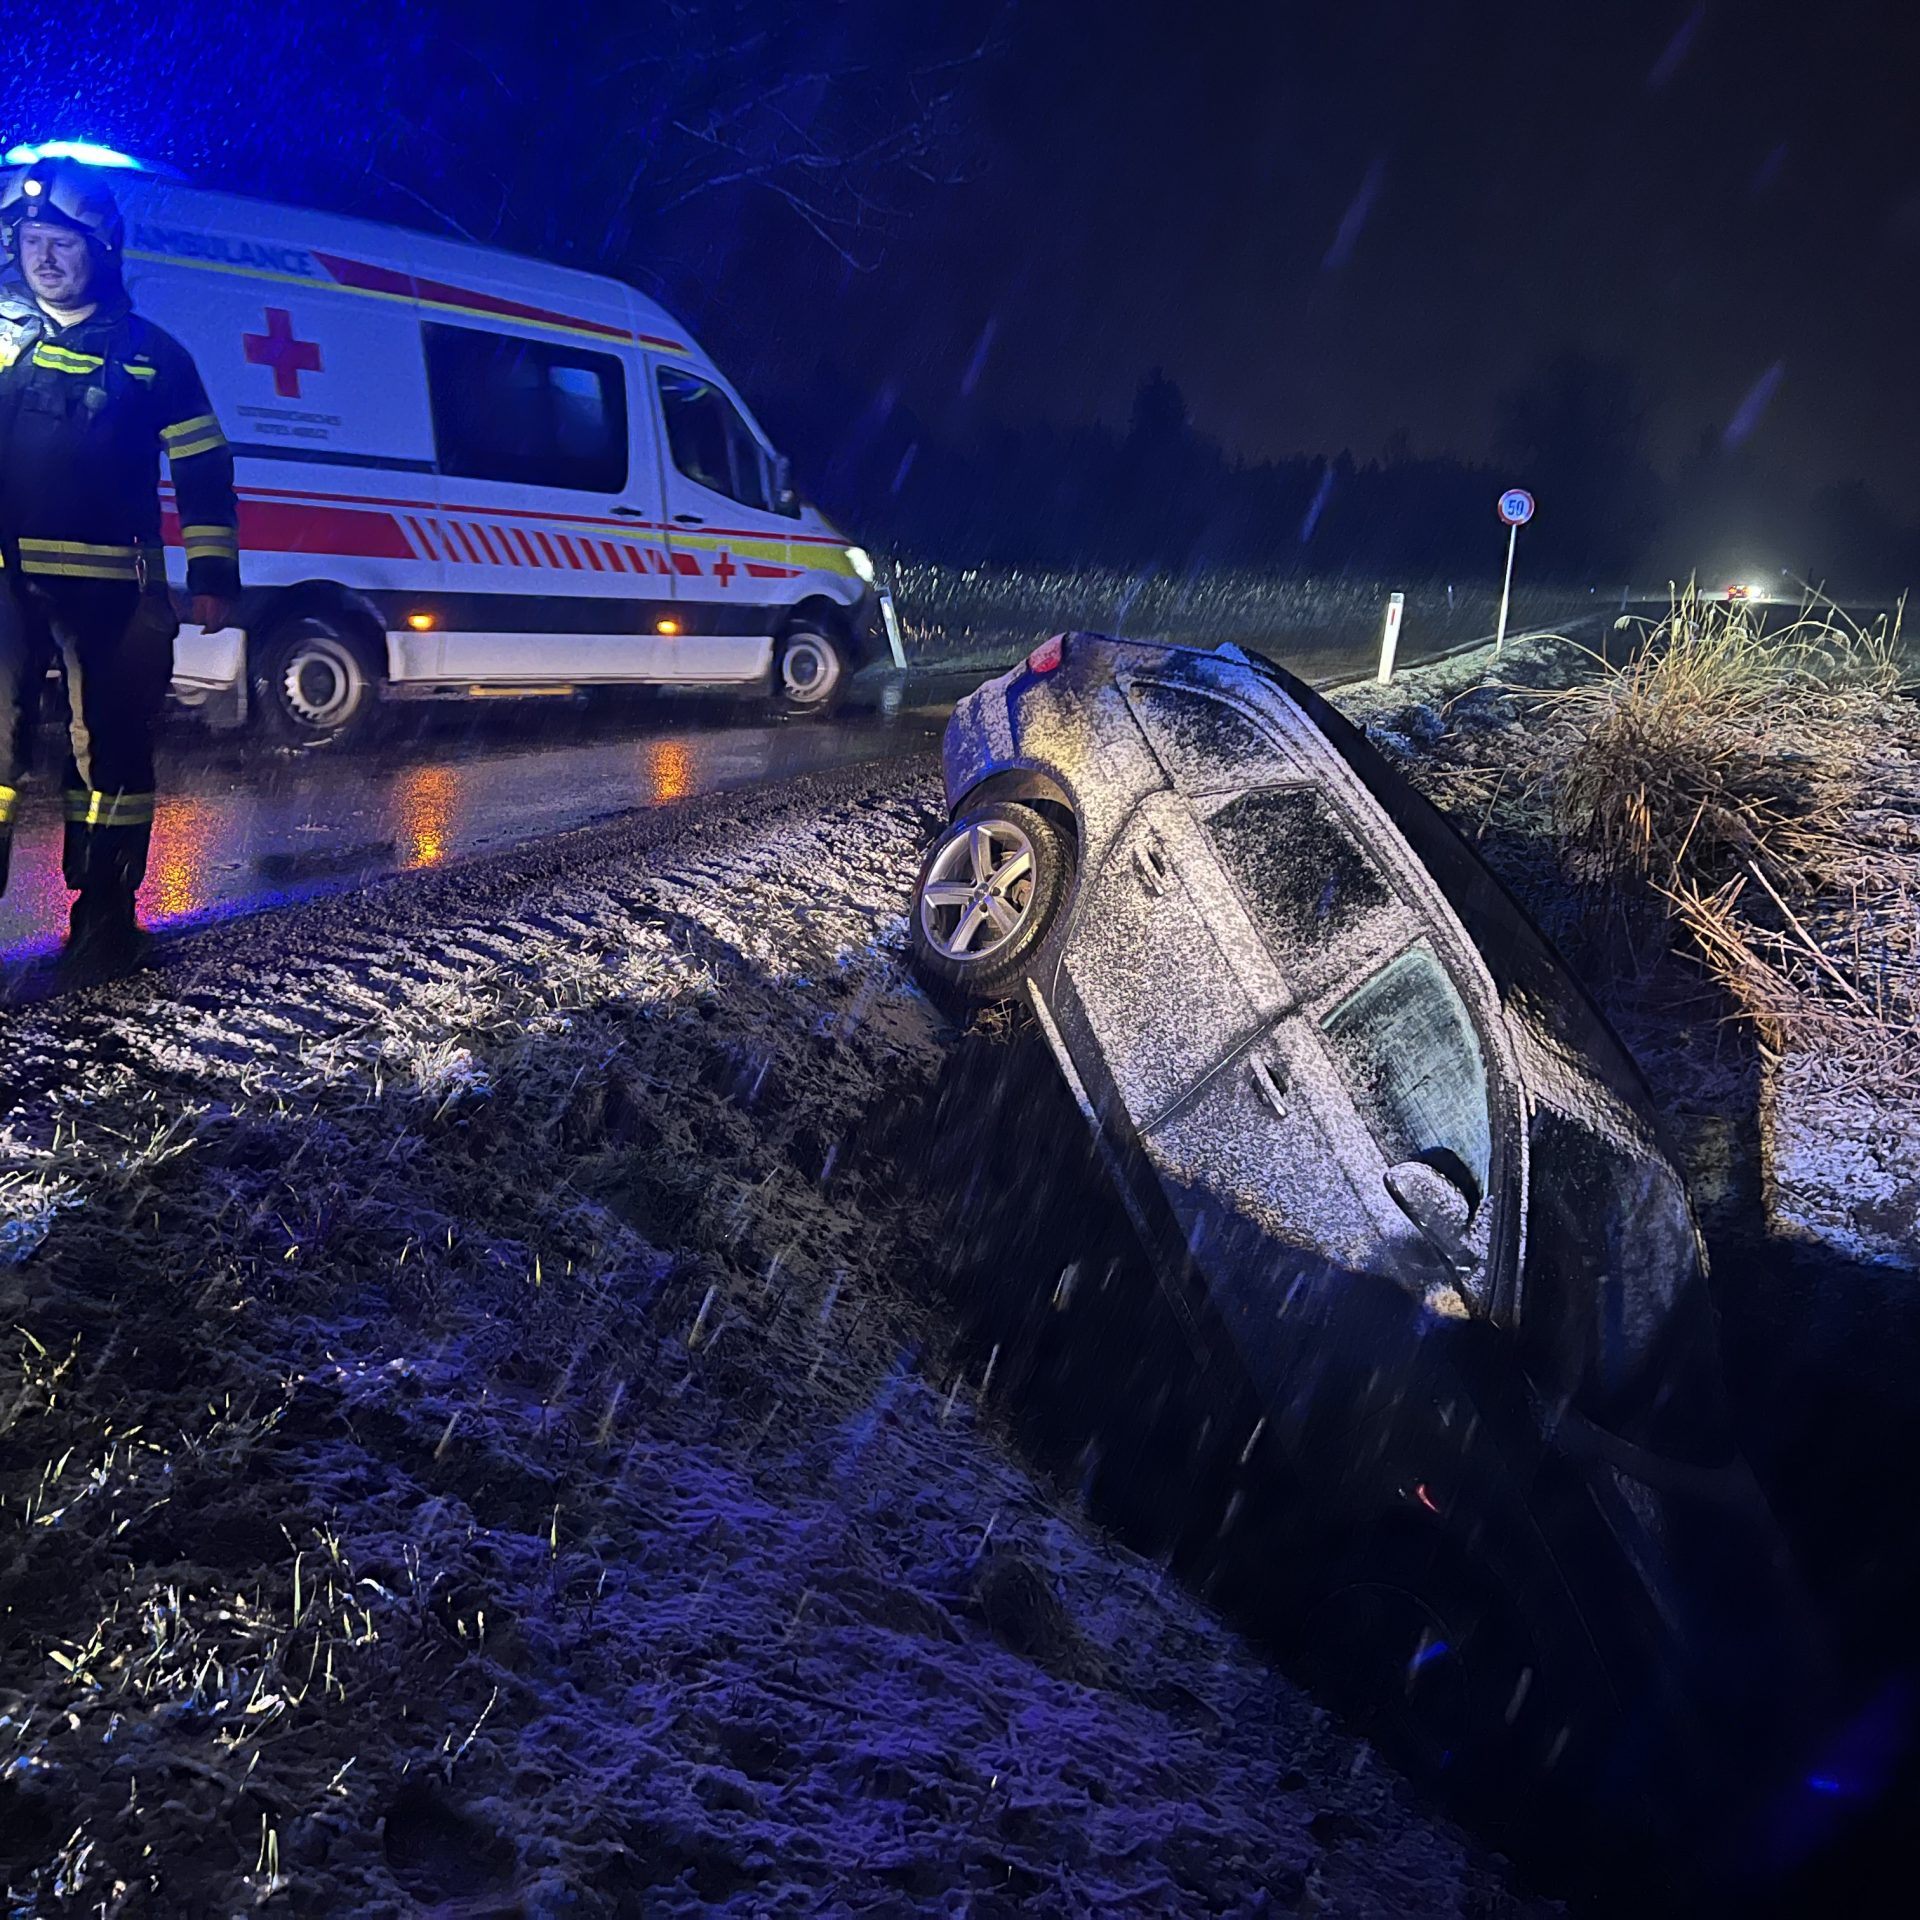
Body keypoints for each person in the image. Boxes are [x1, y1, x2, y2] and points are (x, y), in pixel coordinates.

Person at [0, 157, 239, 970]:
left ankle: (104, 913)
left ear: (103, 249)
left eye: (63, 242)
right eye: (32, 240)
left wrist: (212, 575)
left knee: (112, 754)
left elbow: (203, 464)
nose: (45, 258)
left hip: (118, 593)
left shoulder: (153, 355)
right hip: (3, 581)